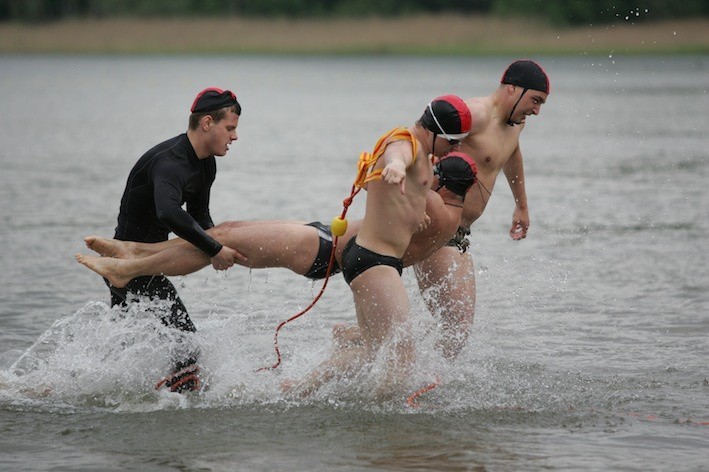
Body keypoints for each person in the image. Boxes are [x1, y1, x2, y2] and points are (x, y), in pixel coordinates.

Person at [103, 87, 243, 393]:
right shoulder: (171, 162)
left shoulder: (205, 162)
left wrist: (222, 244)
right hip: (131, 266)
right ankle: (176, 403)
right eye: (229, 128)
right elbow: (168, 211)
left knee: (122, 353)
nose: (234, 137)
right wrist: (214, 248)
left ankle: (147, 396)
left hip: (151, 264)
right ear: (207, 123)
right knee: (186, 344)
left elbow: (200, 214)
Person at [414, 59, 550, 360]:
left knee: (456, 327)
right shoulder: (474, 114)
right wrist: (417, 199)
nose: (537, 110)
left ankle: (361, 338)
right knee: (456, 327)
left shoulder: (517, 123)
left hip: (459, 232)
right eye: (535, 101)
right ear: (512, 88)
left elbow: (512, 152)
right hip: (436, 225)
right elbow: (422, 139)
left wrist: (521, 206)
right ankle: (421, 387)